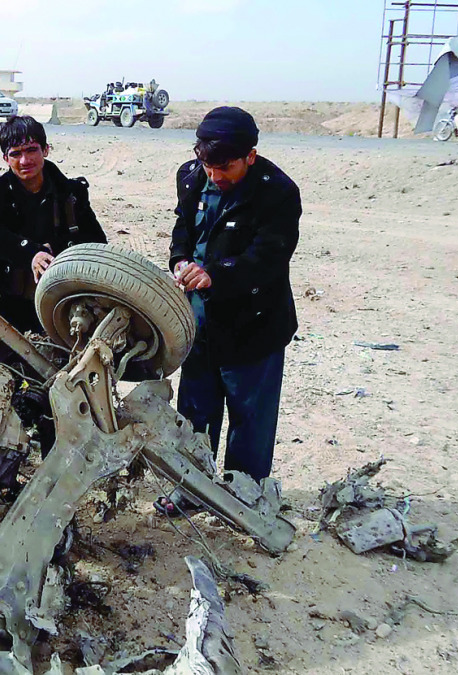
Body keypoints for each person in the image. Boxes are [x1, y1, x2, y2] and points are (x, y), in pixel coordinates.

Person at [158, 106, 300, 516]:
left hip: (253, 325)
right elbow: (183, 227)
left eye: (226, 167)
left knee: (249, 421)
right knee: (195, 412)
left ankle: (244, 496)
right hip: (199, 323)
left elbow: (269, 257)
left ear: (250, 157)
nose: (215, 176)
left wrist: (216, 274)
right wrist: (180, 260)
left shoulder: (278, 193)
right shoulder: (190, 175)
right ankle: (189, 488)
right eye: (208, 165)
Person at [0, 115, 107, 336]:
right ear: (5, 159)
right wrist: (32, 254)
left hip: (60, 304)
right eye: (15, 154)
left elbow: (97, 242)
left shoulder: (71, 193)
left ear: (46, 150)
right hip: (6, 302)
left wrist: (55, 252)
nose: (25, 160)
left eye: (31, 150)